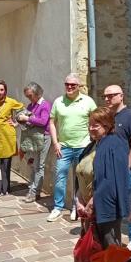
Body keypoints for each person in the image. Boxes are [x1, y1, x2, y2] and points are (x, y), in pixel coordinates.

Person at [77, 108, 131, 246]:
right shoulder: (92, 146)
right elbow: (82, 175)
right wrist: (78, 199)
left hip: (105, 207)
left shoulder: (114, 145)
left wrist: (93, 201)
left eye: (95, 125)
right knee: (95, 249)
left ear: (107, 125)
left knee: (110, 250)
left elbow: (112, 180)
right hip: (88, 208)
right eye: (89, 124)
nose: (91, 128)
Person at [48, 74, 97, 222]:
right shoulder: (58, 101)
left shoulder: (88, 101)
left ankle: (77, 206)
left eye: (73, 85)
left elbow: (95, 120)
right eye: (67, 84)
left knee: (80, 178)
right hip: (64, 147)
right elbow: (51, 122)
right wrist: (55, 143)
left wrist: (93, 140)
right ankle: (58, 207)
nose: (69, 87)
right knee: (60, 176)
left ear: (79, 87)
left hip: (83, 147)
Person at [103, 84, 131, 252]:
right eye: (105, 96)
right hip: (109, 170)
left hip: (125, 171)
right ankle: (115, 238)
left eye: (111, 95)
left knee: (129, 205)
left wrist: (125, 166)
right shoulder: (108, 117)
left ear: (121, 96)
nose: (107, 99)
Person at [17, 82, 51, 202]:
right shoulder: (32, 105)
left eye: (30, 95)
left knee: (39, 166)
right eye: (27, 96)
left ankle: (34, 192)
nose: (28, 98)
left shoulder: (45, 105)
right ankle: (33, 189)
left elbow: (43, 121)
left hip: (43, 137)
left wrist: (27, 118)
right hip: (32, 137)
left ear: (37, 94)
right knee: (33, 164)